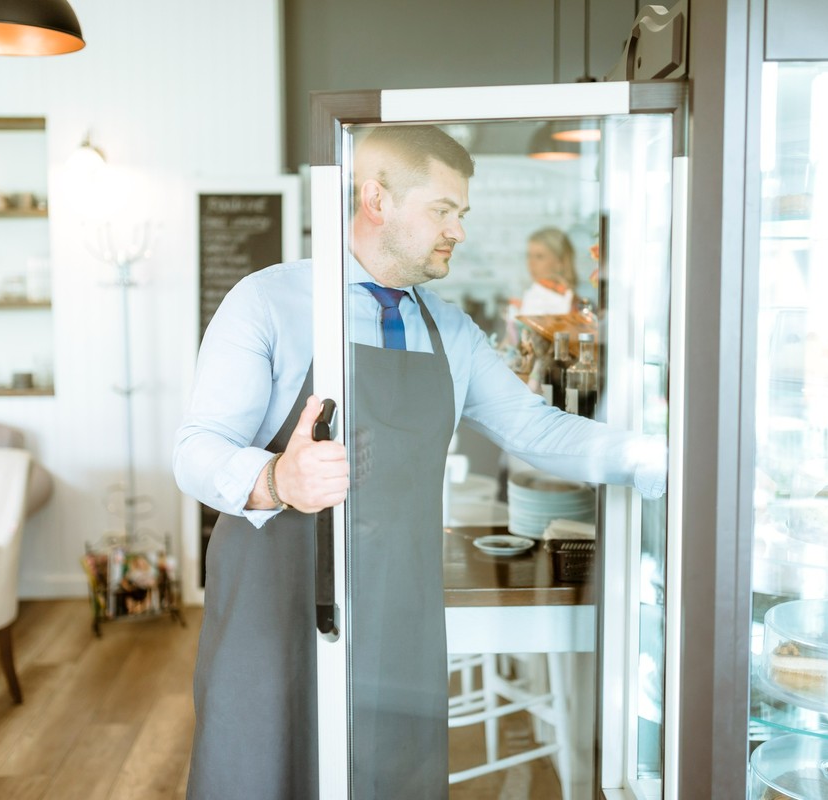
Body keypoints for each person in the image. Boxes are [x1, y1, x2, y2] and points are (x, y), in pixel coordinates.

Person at [173, 124, 666, 800]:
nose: (457, 230)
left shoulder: (452, 330)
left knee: (390, 778)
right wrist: (276, 479)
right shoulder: (267, 302)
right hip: (273, 608)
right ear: (376, 199)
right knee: (262, 772)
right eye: (443, 209)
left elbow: (534, 428)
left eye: (461, 213)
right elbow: (196, 450)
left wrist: (656, 457)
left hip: (397, 612)